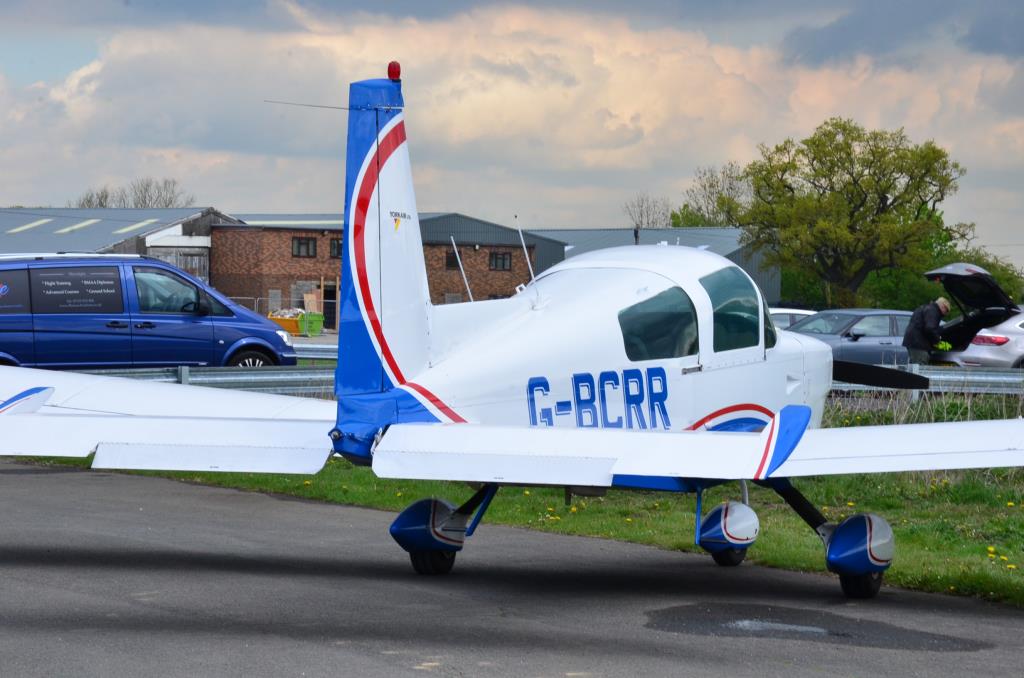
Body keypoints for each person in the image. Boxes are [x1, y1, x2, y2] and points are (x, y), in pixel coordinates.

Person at [902, 297, 951, 364]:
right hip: (919, 344)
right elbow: (930, 328)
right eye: (947, 310)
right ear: (942, 306)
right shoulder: (933, 311)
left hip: (913, 342)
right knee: (920, 366)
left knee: (914, 367)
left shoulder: (926, 307)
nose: (946, 313)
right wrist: (938, 341)